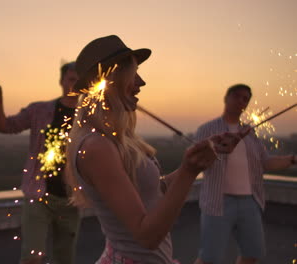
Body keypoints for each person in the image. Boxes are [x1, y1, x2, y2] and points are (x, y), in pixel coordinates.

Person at [65, 35, 234, 264]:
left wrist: (206, 155)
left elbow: (155, 190)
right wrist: (188, 171)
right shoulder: (96, 147)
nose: (141, 82)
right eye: (133, 73)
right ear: (110, 78)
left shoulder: (115, 139)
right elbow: (147, 236)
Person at [0, 62, 80, 264]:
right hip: (38, 196)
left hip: (71, 200)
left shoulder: (89, 118)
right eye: (71, 79)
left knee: (65, 259)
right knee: (32, 258)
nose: (75, 84)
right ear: (61, 81)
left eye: (79, 80)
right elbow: (4, 126)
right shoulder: (40, 110)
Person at [194, 84, 297, 264]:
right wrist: (217, 150)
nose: (241, 101)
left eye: (245, 99)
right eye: (237, 96)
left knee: (252, 253)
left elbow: (266, 162)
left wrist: (293, 159)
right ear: (226, 98)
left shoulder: (251, 134)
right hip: (217, 202)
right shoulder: (207, 129)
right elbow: (196, 162)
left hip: (250, 202)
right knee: (209, 259)